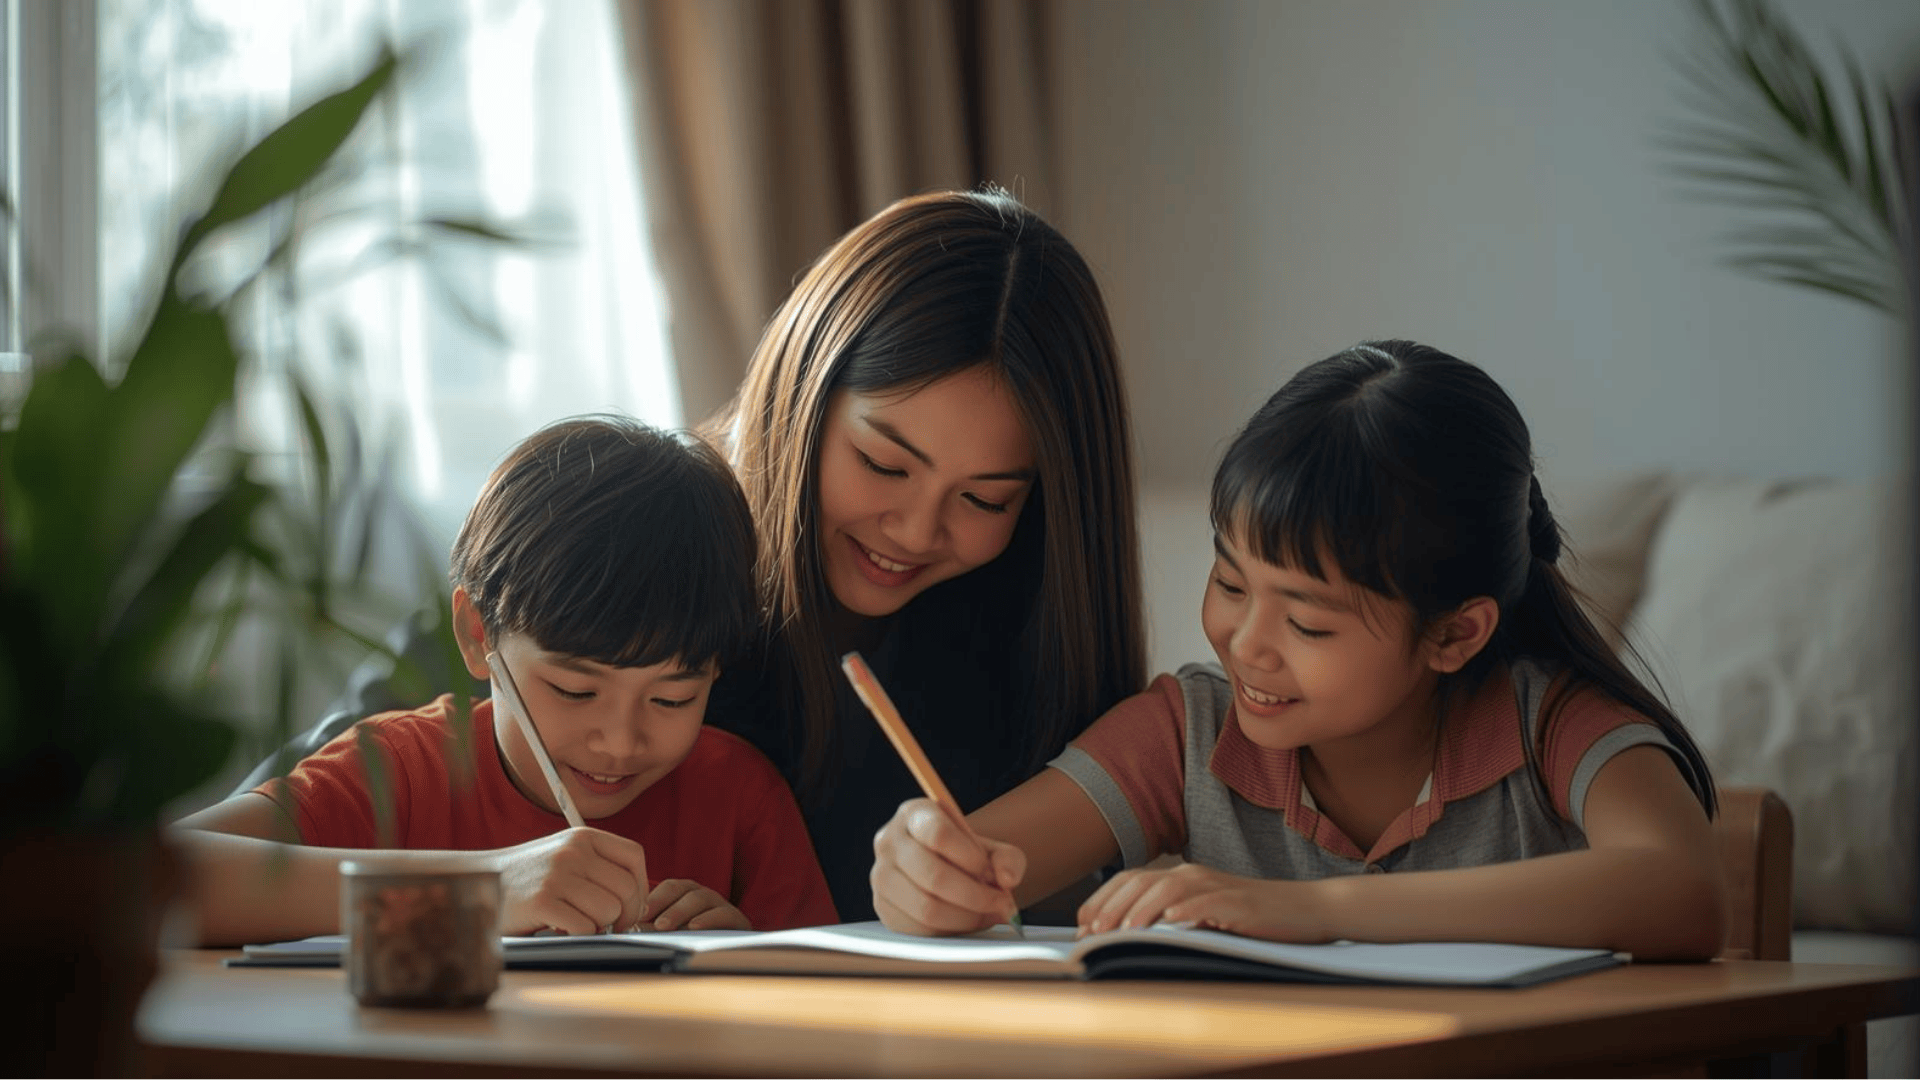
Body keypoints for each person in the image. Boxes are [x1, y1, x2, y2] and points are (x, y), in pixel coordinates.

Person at [870, 340, 1728, 960]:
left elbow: (1683, 892)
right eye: (1231, 584)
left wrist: (1315, 910)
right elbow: (985, 864)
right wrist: (926, 868)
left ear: (1456, 633)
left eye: (1309, 623)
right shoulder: (1188, 733)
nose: (1245, 645)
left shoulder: (1552, 725)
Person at [174, 417, 838, 946]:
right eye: (576, 691)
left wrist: (743, 959)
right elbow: (156, 878)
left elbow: (830, 1009)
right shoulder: (399, 773)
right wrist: (484, 889)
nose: (618, 741)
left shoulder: (739, 796)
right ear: (476, 636)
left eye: (672, 698)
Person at [700, 188, 1147, 922]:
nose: (913, 532)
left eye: (985, 500)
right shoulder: (671, 548)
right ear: (803, 397)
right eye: (883, 463)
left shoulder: (1022, 628)